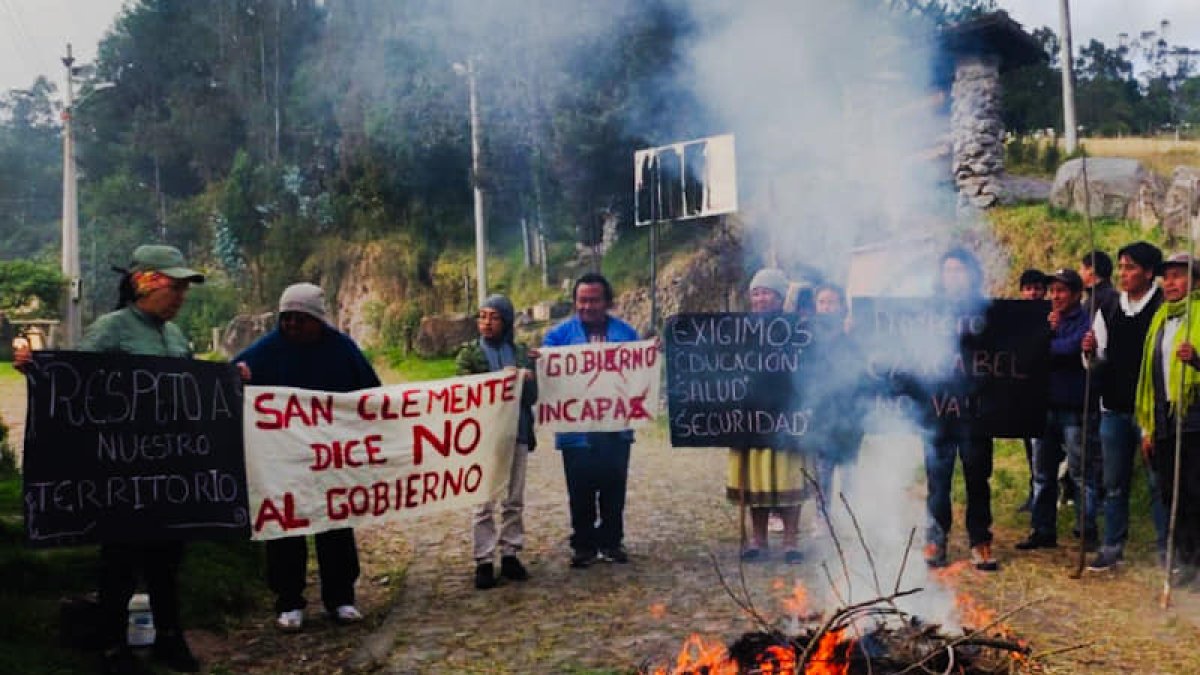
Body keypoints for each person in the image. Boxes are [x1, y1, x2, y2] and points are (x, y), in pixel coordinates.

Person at [16, 244, 205, 674]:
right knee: (120, 558)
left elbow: (197, 392)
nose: (179, 297)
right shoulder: (112, 328)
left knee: (167, 560)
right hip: (120, 470)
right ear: (144, 284)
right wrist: (35, 367)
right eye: (172, 287)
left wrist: (231, 382)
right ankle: (113, 645)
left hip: (168, 469)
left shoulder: (176, 337)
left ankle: (169, 640)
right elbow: (73, 379)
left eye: (183, 290)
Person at [234, 282, 380, 631]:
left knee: (335, 528)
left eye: (301, 319)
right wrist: (237, 377)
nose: (293, 326)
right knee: (285, 530)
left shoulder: (342, 349)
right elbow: (232, 377)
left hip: (332, 459)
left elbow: (372, 395)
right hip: (285, 461)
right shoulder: (267, 350)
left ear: (318, 319)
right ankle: (289, 601)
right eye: (287, 319)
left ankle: (341, 597)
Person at [542, 272, 641, 568]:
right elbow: (548, 371)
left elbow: (639, 371)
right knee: (580, 489)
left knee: (614, 486)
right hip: (577, 429)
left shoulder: (626, 334)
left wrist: (650, 354)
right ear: (575, 302)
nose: (587, 306)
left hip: (614, 428)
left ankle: (612, 541)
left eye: (594, 300)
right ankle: (583, 544)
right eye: (582, 300)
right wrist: (541, 359)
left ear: (607, 302)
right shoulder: (558, 336)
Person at [1082, 242, 1166, 571]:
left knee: (1158, 483)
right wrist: (1089, 352)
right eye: (1121, 267)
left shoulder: (1161, 308)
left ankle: (1165, 552)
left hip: (1150, 411)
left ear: (1148, 272)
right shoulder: (1110, 307)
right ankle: (1113, 545)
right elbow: (1097, 361)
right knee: (1114, 483)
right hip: (1114, 408)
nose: (1123, 274)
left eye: (1130, 267)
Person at [455, 294, 538, 589]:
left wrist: (526, 379)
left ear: (506, 322)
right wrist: (498, 380)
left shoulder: (520, 353)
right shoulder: (468, 355)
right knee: (483, 499)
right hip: (484, 438)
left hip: (517, 432)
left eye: (494, 317)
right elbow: (464, 393)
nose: (486, 323)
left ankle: (511, 553)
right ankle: (484, 559)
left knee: (514, 498)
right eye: (482, 316)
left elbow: (532, 398)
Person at [726, 268, 808, 564]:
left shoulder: (797, 328)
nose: (761, 298)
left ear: (779, 297)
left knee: (789, 478)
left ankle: (790, 540)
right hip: (749, 414)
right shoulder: (737, 329)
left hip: (788, 412)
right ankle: (758, 540)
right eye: (756, 292)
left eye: (767, 292)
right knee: (755, 480)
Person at [1017, 268, 1102, 552]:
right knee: (1042, 474)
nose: (1056, 296)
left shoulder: (1086, 319)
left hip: (1074, 408)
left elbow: (1072, 350)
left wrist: (1049, 343)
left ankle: (1086, 529)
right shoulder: (1043, 318)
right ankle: (1042, 529)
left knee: (1080, 473)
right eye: (1053, 290)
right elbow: (1026, 352)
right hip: (1042, 405)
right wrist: (1047, 335)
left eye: (1062, 290)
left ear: (1077, 294)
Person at [923, 248, 997, 571]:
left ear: (971, 274)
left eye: (959, 270)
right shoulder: (926, 311)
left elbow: (1011, 351)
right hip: (937, 411)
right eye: (947, 270)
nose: (953, 276)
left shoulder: (990, 312)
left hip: (976, 410)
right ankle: (936, 540)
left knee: (977, 478)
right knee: (938, 480)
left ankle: (980, 540)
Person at [1135, 253, 1200, 587]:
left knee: (1194, 494)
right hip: (1164, 421)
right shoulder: (1160, 319)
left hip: (1195, 424)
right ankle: (1183, 563)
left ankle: (1196, 566)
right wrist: (1148, 427)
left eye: (1178, 276)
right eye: (1167, 277)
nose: (1171, 283)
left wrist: (1197, 361)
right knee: (1171, 494)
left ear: (1196, 282)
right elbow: (1150, 378)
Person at [1017, 269, 1048, 513]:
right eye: (1028, 288)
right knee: (1031, 448)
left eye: (1038, 288)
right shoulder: (1012, 316)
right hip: (1023, 392)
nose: (1033, 293)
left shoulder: (1052, 315)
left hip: (1048, 391)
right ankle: (1033, 493)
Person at [1081, 250, 1118, 315]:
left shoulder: (1103, 300)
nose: (1079, 273)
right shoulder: (1112, 296)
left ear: (1091, 270)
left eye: (1081, 269)